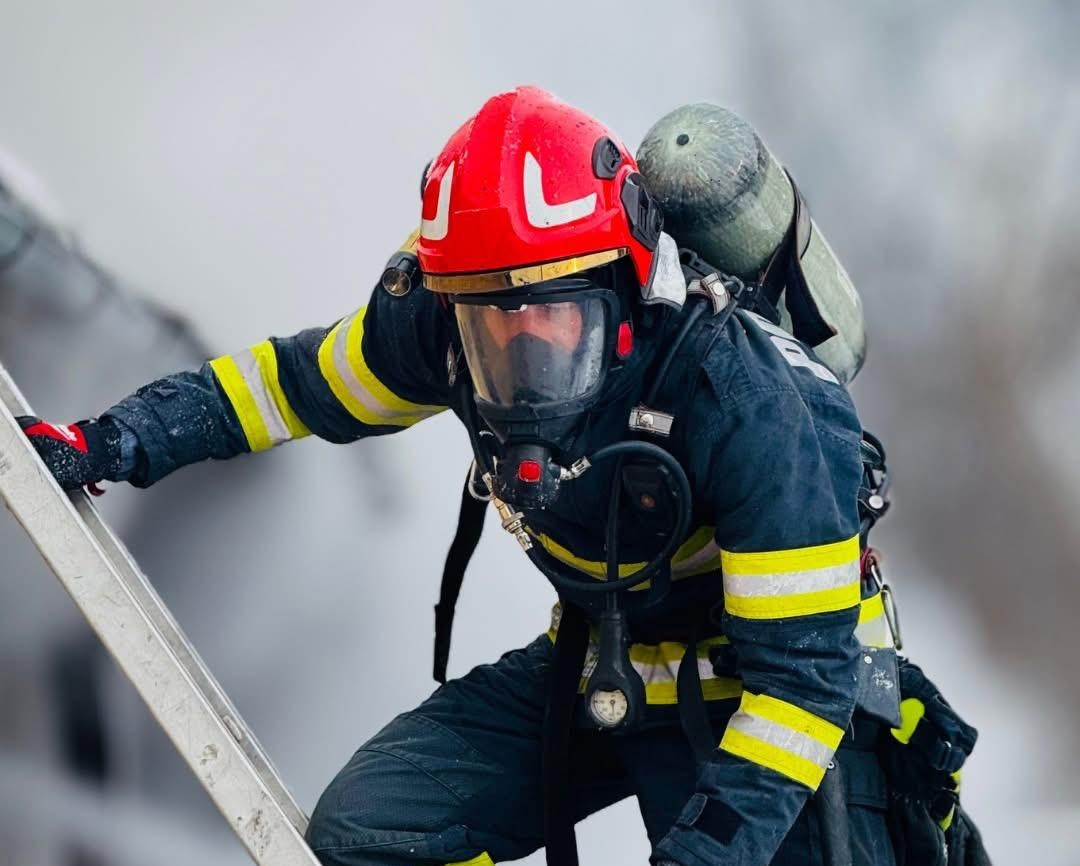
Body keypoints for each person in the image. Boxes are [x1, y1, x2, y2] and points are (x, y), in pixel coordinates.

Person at [17, 86, 982, 866]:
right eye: (492, 325)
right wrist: (110, 441)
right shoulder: (440, 321)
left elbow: (799, 689)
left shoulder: (754, 403)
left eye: (554, 320)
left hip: (780, 708)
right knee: (367, 835)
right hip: (607, 664)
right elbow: (281, 389)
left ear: (623, 283)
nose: (520, 356)